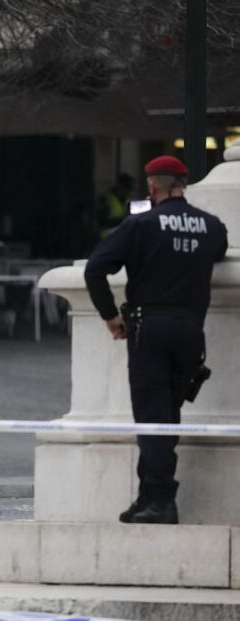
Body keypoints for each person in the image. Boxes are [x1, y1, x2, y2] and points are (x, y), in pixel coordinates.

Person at [84, 155, 228, 524]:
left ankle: (161, 499)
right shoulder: (210, 226)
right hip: (191, 331)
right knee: (168, 416)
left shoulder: (142, 224)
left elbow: (96, 268)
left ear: (152, 185)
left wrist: (110, 316)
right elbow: (219, 252)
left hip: (150, 328)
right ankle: (148, 494)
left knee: (152, 417)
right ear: (184, 183)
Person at [96, 172, 134, 238]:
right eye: (126, 188)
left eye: (129, 189)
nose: (127, 191)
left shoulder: (127, 200)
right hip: (108, 238)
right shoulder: (106, 199)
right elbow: (102, 222)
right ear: (119, 185)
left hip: (122, 239)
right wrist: (125, 220)